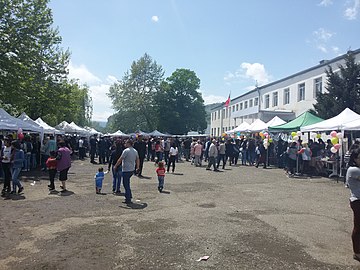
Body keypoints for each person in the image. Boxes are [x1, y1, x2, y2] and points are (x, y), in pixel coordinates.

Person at [114, 140, 140, 204]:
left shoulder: (126, 151)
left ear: (128, 143)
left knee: (126, 184)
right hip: (132, 169)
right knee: (127, 183)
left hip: (126, 169)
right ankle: (129, 195)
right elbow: (137, 159)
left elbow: (120, 159)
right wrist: (137, 167)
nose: (125, 144)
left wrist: (116, 166)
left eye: (126, 143)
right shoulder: (135, 151)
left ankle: (128, 198)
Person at [346, 148, 360, 262]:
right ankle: (357, 252)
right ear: (355, 159)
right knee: (358, 227)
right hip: (357, 200)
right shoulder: (354, 170)